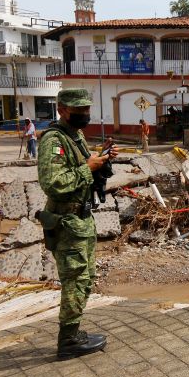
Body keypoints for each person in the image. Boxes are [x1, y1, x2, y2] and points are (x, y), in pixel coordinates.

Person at [36, 89, 119, 360]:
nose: (84, 114)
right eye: (78, 110)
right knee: (74, 279)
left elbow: (85, 170)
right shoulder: (54, 140)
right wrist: (89, 167)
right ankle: (68, 340)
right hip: (67, 222)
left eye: (86, 109)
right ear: (61, 109)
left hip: (81, 220)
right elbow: (53, 183)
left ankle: (73, 332)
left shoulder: (76, 136)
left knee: (85, 278)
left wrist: (102, 161)